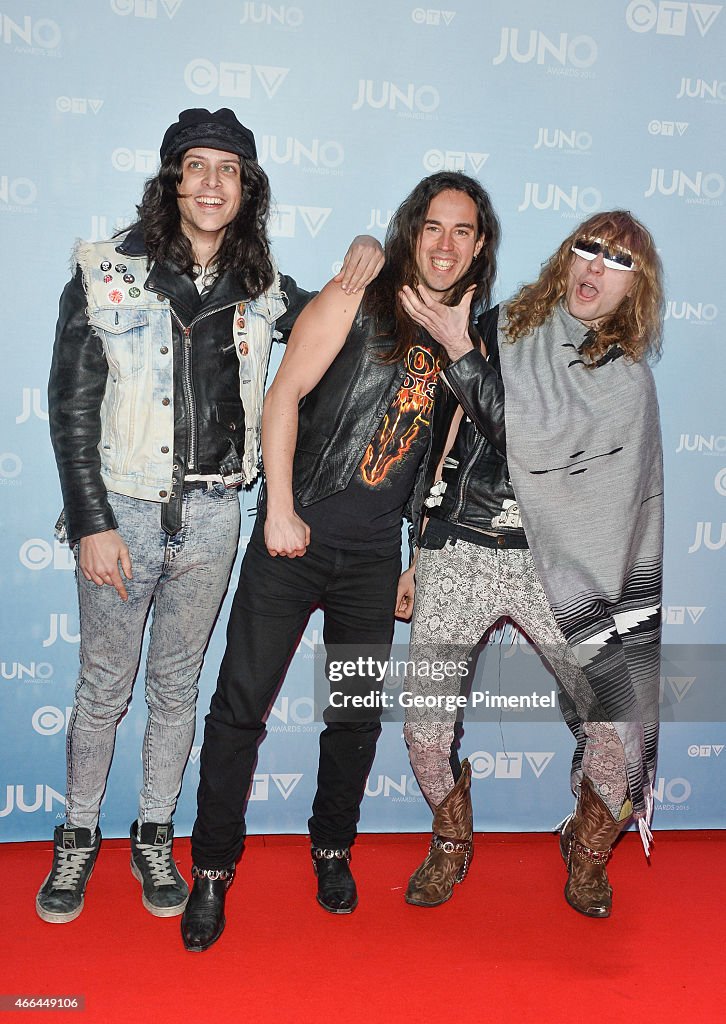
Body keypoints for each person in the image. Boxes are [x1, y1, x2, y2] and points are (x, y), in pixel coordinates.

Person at [37, 107, 383, 925]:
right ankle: (76, 838)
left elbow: (330, 331)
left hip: (216, 514)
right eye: (197, 166)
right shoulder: (103, 271)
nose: (211, 183)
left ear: (247, 188)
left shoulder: (265, 289)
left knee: (175, 689)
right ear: (171, 178)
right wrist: (91, 521)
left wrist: (364, 259)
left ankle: (154, 836)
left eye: (228, 170)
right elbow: (71, 406)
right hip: (122, 507)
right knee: (101, 690)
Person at [181, 171, 500, 951]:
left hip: (371, 558)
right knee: (238, 711)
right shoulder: (355, 296)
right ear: (409, 230)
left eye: (462, 231)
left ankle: (331, 848)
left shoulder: (474, 340)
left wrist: (418, 557)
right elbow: (282, 395)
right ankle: (213, 871)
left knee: (352, 717)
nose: (445, 244)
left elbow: (445, 460)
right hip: (294, 541)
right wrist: (281, 510)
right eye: (433, 226)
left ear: (480, 246)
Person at [398, 211, 664, 918]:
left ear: (633, 290)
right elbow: (446, 436)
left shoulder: (624, 380)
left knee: (617, 723)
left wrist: (459, 350)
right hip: (462, 539)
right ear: (566, 257)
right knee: (423, 727)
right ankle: (451, 841)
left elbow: (534, 444)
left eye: (618, 261)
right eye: (589, 249)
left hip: (558, 565)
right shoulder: (500, 326)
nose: (596, 268)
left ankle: (586, 849)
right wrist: (418, 547)